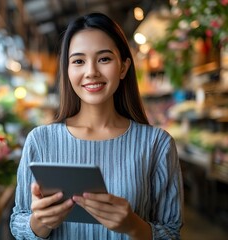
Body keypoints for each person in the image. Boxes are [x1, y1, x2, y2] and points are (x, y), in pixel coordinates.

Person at [10, 12, 183, 240]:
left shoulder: (156, 144)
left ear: (123, 67)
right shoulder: (40, 140)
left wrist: (133, 226)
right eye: (78, 61)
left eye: (104, 59)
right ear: (68, 70)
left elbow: (171, 231)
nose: (91, 71)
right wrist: (38, 224)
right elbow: (18, 221)